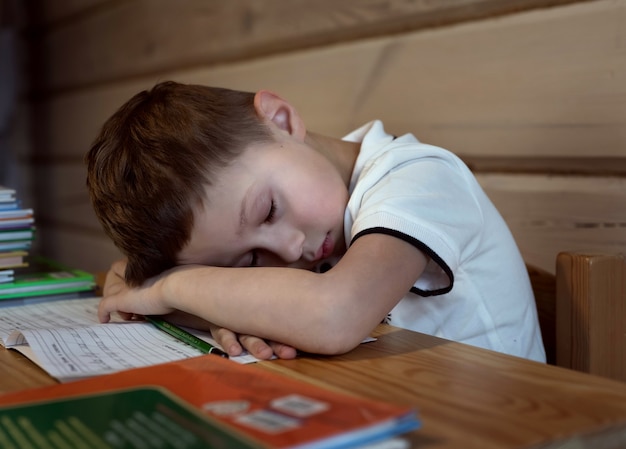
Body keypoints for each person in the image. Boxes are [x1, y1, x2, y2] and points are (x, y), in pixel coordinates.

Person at [86, 81, 546, 363]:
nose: (287, 251)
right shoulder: (303, 193)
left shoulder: (417, 178)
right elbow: (122, 272)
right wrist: (204, 306)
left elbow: (334, 315)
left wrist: (169, 290)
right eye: (249, 261)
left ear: (281, 120)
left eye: (268, 210)